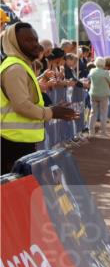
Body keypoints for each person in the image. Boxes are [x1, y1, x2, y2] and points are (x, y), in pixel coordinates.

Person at [1, 22, 79, 173]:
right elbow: (22, 105)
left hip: (19, 140)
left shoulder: (21, 66)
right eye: (28, 40)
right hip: (11, 142)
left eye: (35, 40)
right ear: (14, 43)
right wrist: (51, 112)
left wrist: (50, 110)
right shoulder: (15, 68)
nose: (35, 45)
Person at [87, 57, 110, 136]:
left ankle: (91, 131)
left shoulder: (92, 70)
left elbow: (89, 78)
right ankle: (103, 132)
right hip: (103, 94)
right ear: (103, 64)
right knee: (103, 113)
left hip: (93, 93)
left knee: (93, 113)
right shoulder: (105, 72)